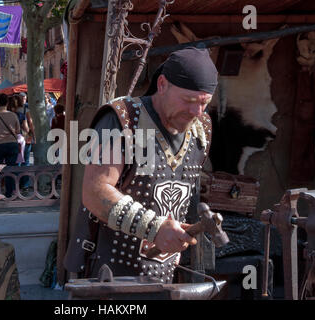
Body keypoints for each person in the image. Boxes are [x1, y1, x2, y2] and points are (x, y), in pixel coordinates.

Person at [64, 47, 218, 282]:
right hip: (108, 275)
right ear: (163, 84)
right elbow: (95, 191)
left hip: (165, 276)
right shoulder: (120, 119)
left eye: (204, 103)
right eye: (188, 100)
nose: (196, 111)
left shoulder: (202, 128)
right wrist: (153, 228)